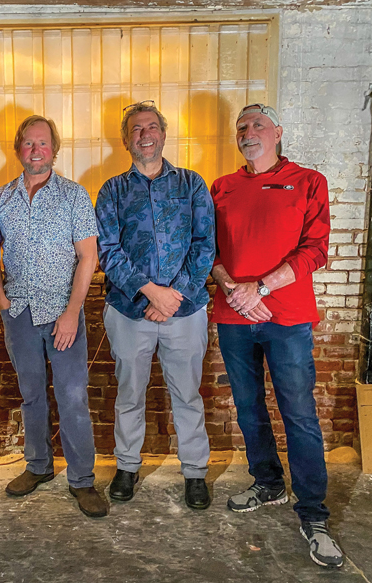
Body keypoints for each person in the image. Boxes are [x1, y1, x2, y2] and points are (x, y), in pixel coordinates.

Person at [210, 103, 343, 568]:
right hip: (234, 318)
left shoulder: (308, 181)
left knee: (299, 413)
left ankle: (313, 513)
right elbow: (210, 251)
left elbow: (316, 249)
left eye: (258, 125)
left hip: (286, 317)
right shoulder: (222, 187)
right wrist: (233, 289)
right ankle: (267, 483)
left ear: (278, 132)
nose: (249, 132)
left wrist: (261, 287)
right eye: (242, 127)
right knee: (248, 408)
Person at [95, 100, 215, 510]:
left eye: (151, 127)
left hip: (185, 310)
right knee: (129, 392)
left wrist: (172, 296)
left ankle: (195, 472)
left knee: (187, 393)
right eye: (136, 129)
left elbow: (204, 246)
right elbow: (108, 251)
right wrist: (150, 291)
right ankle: (127, 466)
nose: (144, 135)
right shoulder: (112, 190)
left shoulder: (192, 184)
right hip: (130, 311)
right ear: (127, 139)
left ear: (163, 134)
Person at [0, 115, 107, 518]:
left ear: (54, 149)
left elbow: (88, 257)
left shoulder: (74, 196)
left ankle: (82, 479)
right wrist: (2, 300)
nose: (36, 150)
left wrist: (73, 312)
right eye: (28, 143)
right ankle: (38, 465)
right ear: (18, 150)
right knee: (32, 394)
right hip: (19, 312)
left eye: (43, 143)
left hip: (63, 313)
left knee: (72, 396)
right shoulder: (0, 198)